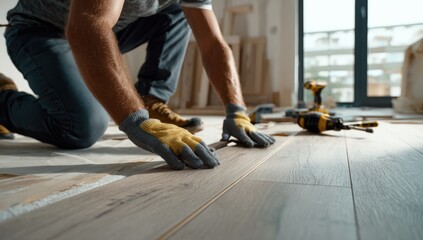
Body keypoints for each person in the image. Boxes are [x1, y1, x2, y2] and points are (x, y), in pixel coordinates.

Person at [0, 0, 275, 170]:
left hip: (106, 26)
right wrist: (135, 121)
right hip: (40, 30)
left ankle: (151, 98)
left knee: (178, 11)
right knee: (82, 127)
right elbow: (87, 27)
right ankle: (3, 102)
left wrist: (237, 109)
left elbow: (213, 44)